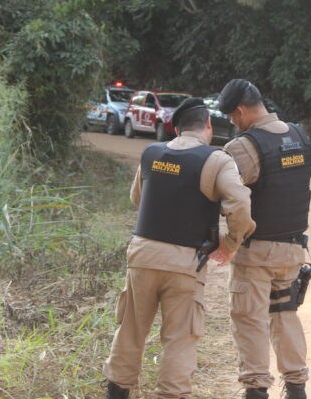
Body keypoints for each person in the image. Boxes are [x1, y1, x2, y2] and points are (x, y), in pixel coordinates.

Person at [103, 97, 256, 399]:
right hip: (185, 263)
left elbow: (138, 199)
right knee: (179, 339)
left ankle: (116, 392)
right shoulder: (216, 160)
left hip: (143, 255)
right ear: (208, 125)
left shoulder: (151, 154)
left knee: (131, 330)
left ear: (175, 128)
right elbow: (240, 205)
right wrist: (229, 245)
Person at [217, 79, 311, 399]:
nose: (234, 123)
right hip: (293, 249)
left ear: (241, 111)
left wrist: (229, 242)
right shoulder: (299, 135)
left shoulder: (243, 147)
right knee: (285, 314)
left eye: (233, 117)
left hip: (256, 253)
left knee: (249, 319)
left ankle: (256, 389)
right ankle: (297, 386)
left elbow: (227, 198)